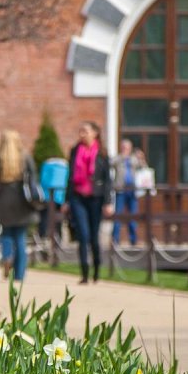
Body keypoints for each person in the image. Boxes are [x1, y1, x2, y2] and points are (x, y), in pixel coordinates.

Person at [66, 120, 111, 284]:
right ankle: (84, 273)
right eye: (81, 131)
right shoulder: (75, 151)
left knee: (93, 236)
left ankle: (97, 271)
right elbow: (69, 177)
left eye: (85, 131)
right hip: (78, 196)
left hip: (96, 197)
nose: (82, 134)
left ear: (95, 133)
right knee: (82, 235)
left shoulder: (102, 153)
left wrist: (108, 202)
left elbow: (107, 180)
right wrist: (66, 200)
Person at [0, 129, 38, 282]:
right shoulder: (25, 158)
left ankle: (7, 257)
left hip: (5, 201)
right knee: (20, 237)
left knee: (6, 235)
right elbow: (34, 179)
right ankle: (19, 275)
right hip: (22, 202)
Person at [111, 139, 139, 245]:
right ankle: (115, 240)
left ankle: (133, 240)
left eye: (127, 148)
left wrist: (139, 157)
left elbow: (141, 166)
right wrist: (121, 157)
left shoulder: (133, 159)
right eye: (124, 147)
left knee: (133, 216)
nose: (125, 150)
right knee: (118, 215)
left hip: (132, 190)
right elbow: (111, 163)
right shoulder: (118, 158)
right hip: (120, 190)